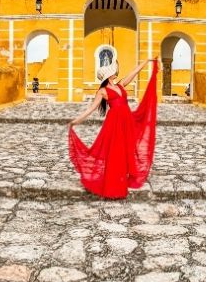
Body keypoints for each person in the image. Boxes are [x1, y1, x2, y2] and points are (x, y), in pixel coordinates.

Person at [68, 58, 159, 199]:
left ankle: (123, 176)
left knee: (126, 148)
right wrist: (76, 121)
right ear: (109, 75)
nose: (115, 72)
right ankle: (114, 182)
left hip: (127, 120)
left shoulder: (121, 84)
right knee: (115, 150)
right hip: (114, 123)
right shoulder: (102, 91)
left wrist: (146, 62)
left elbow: (134, 72)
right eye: (113, 71)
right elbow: (91, 109)